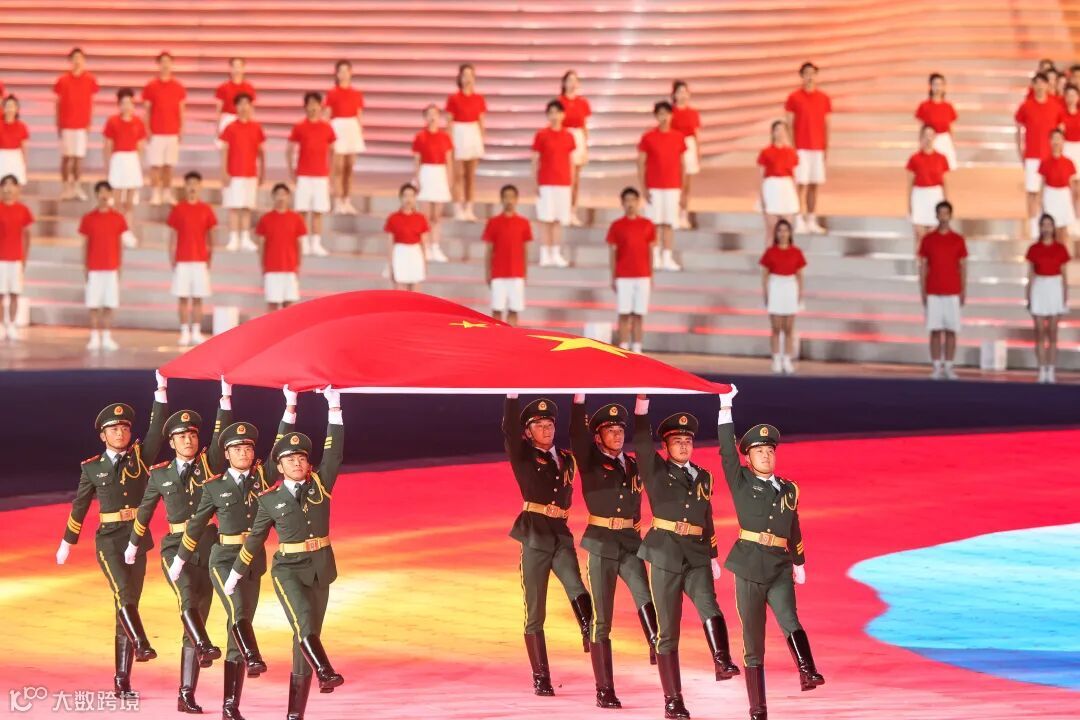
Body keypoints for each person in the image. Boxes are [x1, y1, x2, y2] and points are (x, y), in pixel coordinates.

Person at [169, 382, 297, 719]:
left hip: (252, 560)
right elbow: (196, 525)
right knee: (237, 610)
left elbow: (281, 445)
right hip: (224, 558)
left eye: (247, 448)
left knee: (238, 625)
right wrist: (180, 559)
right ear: (225, 454)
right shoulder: (214, 486)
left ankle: (230, 705)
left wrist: (290, 408)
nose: (243, 453)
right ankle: (252, 657)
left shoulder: (262, 478)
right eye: (236, 449)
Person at [222, 389, 347, 720]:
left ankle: (294, 715)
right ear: (279, 466)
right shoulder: (268, 499)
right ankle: (325, 671)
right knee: (303, 618)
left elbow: (334, 454)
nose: (297, 463)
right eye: (290, 459)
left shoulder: (321, 485)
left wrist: (334, 407)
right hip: (288, 570)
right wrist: (235, 573)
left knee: (306, 635)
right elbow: (255, 539)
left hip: (321, 567)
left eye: (302, 458)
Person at [55, 376, 169, 699]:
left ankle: (122, 679)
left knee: (127, 604)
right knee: (123, 593)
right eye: (114, 429)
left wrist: (160, 393)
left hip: (137, 538)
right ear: (102, 435)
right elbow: (80, 506)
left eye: (124, 428)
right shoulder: (92, 468)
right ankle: (142, 643)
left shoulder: (140, 458)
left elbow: (157, 431)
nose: (120, 433)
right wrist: (67, 541)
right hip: (109, 540)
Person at [716, 386, 825, 720]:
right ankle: (757, 708)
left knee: (790, 618)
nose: (765, 455)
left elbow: (794, 524)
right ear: (748, 458)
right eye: (758, 451)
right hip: (749, 565)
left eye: (769, 451)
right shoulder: (741, 480)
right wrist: (725, 408)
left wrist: (799, 561)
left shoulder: (789, 488)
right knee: (754, 639)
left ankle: (807, 670)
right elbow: (726, 451)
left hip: (779, 565)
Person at [634, 397, 739, 720]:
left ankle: (722, 659)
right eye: (677, 441)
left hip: (696, 553)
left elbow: (707, 517)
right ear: (665, 446)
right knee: (668, 630)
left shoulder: (703, 476)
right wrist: (642, 404)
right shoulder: (655, 469)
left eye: (687, 441)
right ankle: (673, 701)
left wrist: (712, 555)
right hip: (665, 553)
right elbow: (641, 441)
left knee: (710, 605)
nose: (683, 445)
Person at [125, 408, 222, 713]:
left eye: (192, 434)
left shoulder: (210, 465)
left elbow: (223, 432)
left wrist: (225, 397)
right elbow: (145, 511)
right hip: (175, 547)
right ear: (172, 442)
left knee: (198, 615)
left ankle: (185, 694)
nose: (188, 440)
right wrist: (133, 544)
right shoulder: (160, 474)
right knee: (186, 597)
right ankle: (204, 645)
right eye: (181, 436)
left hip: (209, 546)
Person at [569, 397, 658, 709]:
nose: (618, 435)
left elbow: (646, 449)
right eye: (611, 430)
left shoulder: (633, 465)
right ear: (598, 436)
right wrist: (579, 398)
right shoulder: (589, 460)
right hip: (602, 544)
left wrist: (642, 404)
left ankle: (657, 647)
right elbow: (576, 435)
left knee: (647, 598)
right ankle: (604, 689)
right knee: (602, 618)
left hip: (630, 543)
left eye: (621, 430)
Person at [502, 395, 592, 696]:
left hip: (560, 534)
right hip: (535, 536)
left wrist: (580, 400)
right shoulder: (523, 456)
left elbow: (581, 436)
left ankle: (588, 630)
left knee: (576, 584)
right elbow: (509, 430)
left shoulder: (566, 458)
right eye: (539, 425)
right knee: (535, 609)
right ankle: (541, 676)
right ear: (528, 431)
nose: (546, 429)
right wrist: (512, 395)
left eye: (550, 424)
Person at [918, 200, 967, 380]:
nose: (943, 217)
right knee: (935, 330)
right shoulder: (928, 240)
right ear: (937, 215)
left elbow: (963, 267)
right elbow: (923, 266)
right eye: (941, 213)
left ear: (950, 216)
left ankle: (949, 366)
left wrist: (963, 290)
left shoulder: (958, 240)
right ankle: (937, 366)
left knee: (951, 330)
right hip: (934, 290)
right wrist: (923, 290)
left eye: (946, 213)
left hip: (952, 291)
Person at [167, 171, 217, 346]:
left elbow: (211, 237)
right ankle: (184, 331)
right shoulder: (178, 209)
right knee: (182, 297)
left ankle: (196, 331)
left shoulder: (206, 209)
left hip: (200, 260)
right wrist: (172, 257)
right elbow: (172, 236)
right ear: (185, 187)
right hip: (182, 260)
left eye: (195, 184)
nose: (192, 187)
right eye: (189, 184)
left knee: (198, 297)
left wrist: (209, 258)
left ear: (200, 186)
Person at [637, 100, 686, 272]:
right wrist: (643, 188)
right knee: (654, 224)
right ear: (656, 116)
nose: (664, 118)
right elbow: (641, 164)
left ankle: (667, 257)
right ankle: (655, 256)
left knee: (669, 223)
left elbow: (682, 165)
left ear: (672, 116)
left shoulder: (678, 137)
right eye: (660, 114)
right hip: (654, 187)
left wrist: (682, 189)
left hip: (673, 187)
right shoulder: (648, 137)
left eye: (667, 114)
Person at [80, 180, 128, 351]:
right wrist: (85, 265)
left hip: (111, 267)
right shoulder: (88, 218)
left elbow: (120, 244)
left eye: (107, 192)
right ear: (96, 195)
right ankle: (94, 337)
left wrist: (119, 265)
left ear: (111, 195)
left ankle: (107, 336)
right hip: (94, 267)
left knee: (109, 304)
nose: (104, 195)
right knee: (93, 304)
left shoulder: (118, 218)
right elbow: (85, 244)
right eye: (100, 192)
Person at [1016, 73, 1065, 240]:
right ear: (1033, 85)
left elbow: (1061, 130)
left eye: (1042, 83)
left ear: (1047, 85)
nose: (1040, 86)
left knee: (1049, 191)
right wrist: (1020, 150)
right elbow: (1018, 129)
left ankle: (1050, 226)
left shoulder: (1055, 106)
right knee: (1032, 191)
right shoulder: (1026, 106)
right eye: (1036, 83)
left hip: (1050, 156)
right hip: (1032, 155)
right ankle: (1033, 228)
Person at [607, 186, 656, 353]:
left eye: (633, 200)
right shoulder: (616, 226)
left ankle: (637, 348)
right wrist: (613, 276)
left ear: (638, 202)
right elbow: (613, 253)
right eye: (627, 200)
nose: (630, 204)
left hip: (642, 275)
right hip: (624, 276)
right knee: (624, 313)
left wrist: (651, 275)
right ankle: (623, 347)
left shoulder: (647, 225)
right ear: (622, 203)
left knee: (639, 313)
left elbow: (650, 251)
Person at [287, 91, 336, 257]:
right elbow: (289, 149)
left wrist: (331, 174)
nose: (313, 108)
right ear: (305, 107)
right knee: (302, 210)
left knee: (318, 211)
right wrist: (291, 171)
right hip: (304, 175)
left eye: (316, 104)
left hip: (321, 175)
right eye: (310, 104)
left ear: (320, 107)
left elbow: (333, 152)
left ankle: (316, 243)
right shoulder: (299, 127)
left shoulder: (327, 128)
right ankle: (303, 242)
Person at [785, 62, 831, 234]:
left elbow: (826, 124)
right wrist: (793, 147)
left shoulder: (824, 98)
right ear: (801, 76)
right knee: (801, 184)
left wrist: (826, 147)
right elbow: (789, 124)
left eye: (812, 73)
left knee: (814, 184)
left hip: (817, 147)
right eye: (806, 73)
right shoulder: (794, 98)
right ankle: (798, 220)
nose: (810, 77)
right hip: (801, 147)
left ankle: (811, 220)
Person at [1026, 214, 1071, 383]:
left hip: (1054, 288)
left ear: (1053, 228)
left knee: (1052, 331)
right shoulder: (1034, 249)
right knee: (1039, 331)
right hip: (1039, 287)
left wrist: (1064, 296)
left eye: (1049, 225)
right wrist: (1028, 295)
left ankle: (1050, 369)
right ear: (1040, 227)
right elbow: (1030, 274)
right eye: (1043, 225)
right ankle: (1041, 369)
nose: (1046, 228)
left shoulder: (1060, 248)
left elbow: (1064, 275)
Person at [532, 99, 576, 267]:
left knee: (558, 219)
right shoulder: (541, 135)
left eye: (557, 112)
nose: (554, 116)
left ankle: (556, 254)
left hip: (563, 183)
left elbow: (571, 161)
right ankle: (545, 254)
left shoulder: (569, 136)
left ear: (563, 115)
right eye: (551, 112)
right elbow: (535, 160)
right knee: (545, 219)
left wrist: (572, 182)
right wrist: (535, 182)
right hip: (546, 182)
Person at [220, 93, 265, 252]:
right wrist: (224, 171)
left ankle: (245, 238)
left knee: (246, 206)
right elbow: (224, 151)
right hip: (234, 173)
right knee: (234, 206)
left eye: (247, 104)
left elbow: (261, 152)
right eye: (240, 104)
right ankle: (233, 238)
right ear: (236, 107)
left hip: (250, 173)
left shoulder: (256, 128)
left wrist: (262, 172)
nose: (244, 107)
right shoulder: (230, 128)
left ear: (251, 107)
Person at [760, 219, 806, 375]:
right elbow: (765, 276)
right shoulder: (770, 252)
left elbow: (800, 276)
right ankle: (776, 359)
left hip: (790, 287)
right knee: (776, 327)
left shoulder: (796, 252)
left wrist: (799, 295)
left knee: (788, 328)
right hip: (775, 287)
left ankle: (787, 359)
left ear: (790, 233)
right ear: (776, 233)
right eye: (780, 230)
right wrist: (766, 294)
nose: (783, 234)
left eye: (786, 230)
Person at [102, 88, 146, 249]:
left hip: (132, 160)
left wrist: (138, 165)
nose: (126, 106)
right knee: (117, 201)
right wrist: (108, 166)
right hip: (118, 160)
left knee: (129, 202)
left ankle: (128, 231)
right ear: (119, 105)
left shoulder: (138, 122)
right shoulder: (112, 121)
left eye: (129, 103)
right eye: (123, 103)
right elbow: (107, 146)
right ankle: (117, 230)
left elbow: (140, 146)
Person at [482, 184, 532, 324]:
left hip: (516, 274)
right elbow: (489, 250)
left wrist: (524, 273)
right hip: (498, 274)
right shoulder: (493, 222)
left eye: (512, 197)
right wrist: (488, 272)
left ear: (516, 199)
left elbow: (525, 250)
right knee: (497, 309)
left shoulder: (524, 223)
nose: (509, 201)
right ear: (501, 199)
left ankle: (512, 335)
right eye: (506, 197)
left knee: (514, 309)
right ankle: (496, 335)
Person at [54, 47, 99, 200]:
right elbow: (57, 103)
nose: (77, 61)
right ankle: (66, 188)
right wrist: (58, 123)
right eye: (74, 58)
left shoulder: (90, 79)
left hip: (81, 125)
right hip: (67, 124)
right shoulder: (63, 80)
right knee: (66, 158)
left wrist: (89, 121)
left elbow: (91, 102)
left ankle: (77, 187)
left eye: (80, 58)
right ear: (70, 61)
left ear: (84, 60)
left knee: (79, 158)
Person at [142, 51, 186, 206]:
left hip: (172, 132)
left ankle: (167, 193)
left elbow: (181, 110)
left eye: (168, 62)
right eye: (163, 62)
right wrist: (147, 129)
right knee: (155, 165)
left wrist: (181, 129)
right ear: (158, 65)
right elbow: (147, 110)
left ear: (171, 64)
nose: (165, 65)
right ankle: (155, 193)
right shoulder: (151, 86)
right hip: (156, 132)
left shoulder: (178, 87)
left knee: (169, 165)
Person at [411, 104, 454, 263]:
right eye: (429, 114)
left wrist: (449, 179)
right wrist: (417, 178)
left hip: (440, 174)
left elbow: (449, 160)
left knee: (437, 216)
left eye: (435, 114)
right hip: (426, 173)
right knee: (426, 216)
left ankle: (436, 246)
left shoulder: (445, 137)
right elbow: (417, 160)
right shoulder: (420, 137)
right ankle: (426, 246)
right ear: (425, 117)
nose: (432, 117)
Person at [255, 183, 306, 311]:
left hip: (290, 268)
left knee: (289, 306)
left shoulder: (296, 218)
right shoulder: (265, 219)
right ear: (273, 196)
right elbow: (261, 244)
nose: (281, 198)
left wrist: (298, 265)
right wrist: (263, 265)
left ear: (289, 197)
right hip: (272, 268)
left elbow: (299, 244)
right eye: (278, 194)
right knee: (272, 304)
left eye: (284, 194)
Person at [446, 63, 486, 221]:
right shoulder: (453, 99)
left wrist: (481, 139)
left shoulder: (479, 99)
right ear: (460, 78)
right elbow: (449, 121)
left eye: (471, 75)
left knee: (470, 176)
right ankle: (458, 208)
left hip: (473, 134)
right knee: (458, 174)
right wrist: (449, 141)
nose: (468, 79)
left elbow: (481, 121)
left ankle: (469, 208)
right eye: (465, 75)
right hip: (459, 133)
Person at [325, 59, 365, 215]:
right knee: (338, 168)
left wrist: (360, 132)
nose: (343, 74)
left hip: (352, 128)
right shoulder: (332, 93)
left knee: (349, 167)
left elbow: (359, 115)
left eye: (346, 71)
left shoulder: (356, 94)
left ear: (351, 73)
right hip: (338, 128)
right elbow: (328, 114)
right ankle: (337, 201)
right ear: (336, 74)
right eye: (340, 71)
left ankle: (347, 200)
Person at [0, 175, 32, 341]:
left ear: (17, 188)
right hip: (0, 259)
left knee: (14, 294)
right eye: (5, 185)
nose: (8, 188)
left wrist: (24, 258)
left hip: (16, 259)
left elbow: (27, 236)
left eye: (12, 185)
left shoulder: (23, 210)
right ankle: (0, 326)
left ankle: (12, 325)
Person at [906, 125, 950, 246]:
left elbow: (944, 182)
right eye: (925, 135)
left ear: (935, 137)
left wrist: (945, 202)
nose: (928, 138)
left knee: (935, 236)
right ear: (920, 137)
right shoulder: (914, 159)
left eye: (931, 135)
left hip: (935, 196)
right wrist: (909, 205)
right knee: (920, 236)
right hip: (919, 196)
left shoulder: (941, 158)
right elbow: (910, 184)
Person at [757, 120, 800, 244]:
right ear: (772, 132)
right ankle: (769, 255)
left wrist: (796, 196)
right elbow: (761, 176)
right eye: (777, 130)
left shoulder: (791, 153)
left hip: (787, 189)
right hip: (771, 189)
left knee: (787, 230)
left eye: (783, 130)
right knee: (771, 230)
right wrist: (762, 197)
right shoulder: (766, 152)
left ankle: (786, 255)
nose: (780, 133)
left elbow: (794, 176)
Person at [557, 70, 591, 225]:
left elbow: (584, 125)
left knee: (575, 179)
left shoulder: (583, 103)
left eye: (575, 80)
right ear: (564, 83)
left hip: (578, 138)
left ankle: (572, 211)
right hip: (563, 137)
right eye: (569, 80)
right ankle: (561, 210)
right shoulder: (559, 102)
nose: (572, 83)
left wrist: (586, 145)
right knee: (563, 177)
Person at [384, 183, 429, 291]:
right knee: (400, 290)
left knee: (415, 291)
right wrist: (390, 265)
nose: (408, 199)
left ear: (415, 198)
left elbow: (424, 243)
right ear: (400, 197)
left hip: (415, 253)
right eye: (405, 195)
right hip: (399, 253)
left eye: (411, 196)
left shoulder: (421, 218)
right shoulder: (393, 218)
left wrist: (425, 262)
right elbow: (390, 243)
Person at [671, 81, 702, 230]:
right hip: (674, 147)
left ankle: (683, 214)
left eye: (685, 92)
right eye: (679, 92)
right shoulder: (670, 112)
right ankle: (674, 214)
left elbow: (696, 134)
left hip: (689, 147)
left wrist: (698, 152)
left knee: (686, 184)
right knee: (675, 182)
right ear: (674, 95)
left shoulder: (693, 113)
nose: (682, 95)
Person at [1039, 128, 1077, 241]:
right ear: (1050, 141)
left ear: (1063, 141)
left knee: (1063, 230)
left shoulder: (1069, 163)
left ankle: (1062, 251)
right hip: (1050, 195)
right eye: (1054, 138)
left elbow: (1072, 186)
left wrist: (1074, 205)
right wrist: (1041, 203)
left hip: (1064, 196)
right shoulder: (1045, 162)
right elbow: (1042, 184)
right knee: (1051, 229)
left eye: (1059, 138)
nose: (1056, 141)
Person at [915, 73, 958, 170]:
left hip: (945, 139)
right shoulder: (924, 106)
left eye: (940, 84)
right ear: (930, 86)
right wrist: (921, 142)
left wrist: (952, 142)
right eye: (935, 84)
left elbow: (951, 127)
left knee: (947, 168)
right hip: (930, 140)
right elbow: (921, 126)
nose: (938, 87)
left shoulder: (948, 106)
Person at [215, 57, 255, 149]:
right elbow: (218, 109)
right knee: (225, 149)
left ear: (243, 68)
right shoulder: (223, 87)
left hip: (243, 120)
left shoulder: (249, 87)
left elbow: (251, 108)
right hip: (227, 120)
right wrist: (217, 128)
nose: (237, 69)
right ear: (230, 69)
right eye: (234, 66)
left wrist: (250, 123)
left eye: (239, 66)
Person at [1061, 84, 1080, 230]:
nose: (1071, 98)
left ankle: (1078, 220)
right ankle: (1070, 220)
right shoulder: (1060, 115)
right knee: (1069, 187)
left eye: (1074, 95)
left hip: (1079, 149)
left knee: (1078, 188)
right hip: (1066, 149)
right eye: (1068, 95)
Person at [0, 95, 30, 186]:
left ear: (17, 109)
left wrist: (24, 163)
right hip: (2, 156)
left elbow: (24, 146)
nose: (10, 109)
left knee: (16, 185)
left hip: (16, 157)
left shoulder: (22, 127)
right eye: (7, 106)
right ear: (3, 108)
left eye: (12, 106)